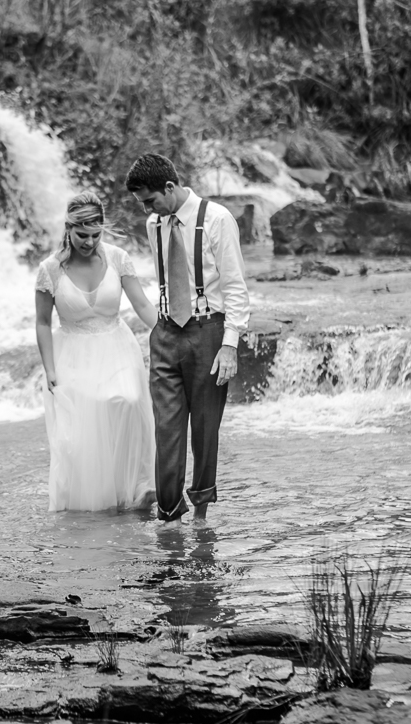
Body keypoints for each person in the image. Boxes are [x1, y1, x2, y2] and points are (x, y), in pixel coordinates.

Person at [126, 154, 250, 526]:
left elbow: (235, 288)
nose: (148, 210)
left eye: (150, 200)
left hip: (207, 332)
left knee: (205, 427)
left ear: (170, 187)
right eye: (143, 204)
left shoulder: (217, 219)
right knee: (166, 428)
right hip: (165, 333)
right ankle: (169, 513)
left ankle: (200, 514)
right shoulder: (154, 224)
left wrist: (230, 344)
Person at [34, 191, 159, 512]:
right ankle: (97, 501)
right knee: (82, 433)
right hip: (72, 354)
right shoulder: (50, 270)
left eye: (95, 234)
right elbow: (43, 323)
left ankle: (137, 489)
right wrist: (49, 369)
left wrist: (169, 332)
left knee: (126, 401)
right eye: (82, 235)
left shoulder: (118, 258)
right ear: (68, 229)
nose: (89, 242)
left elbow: (142, 304)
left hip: (116, 346)